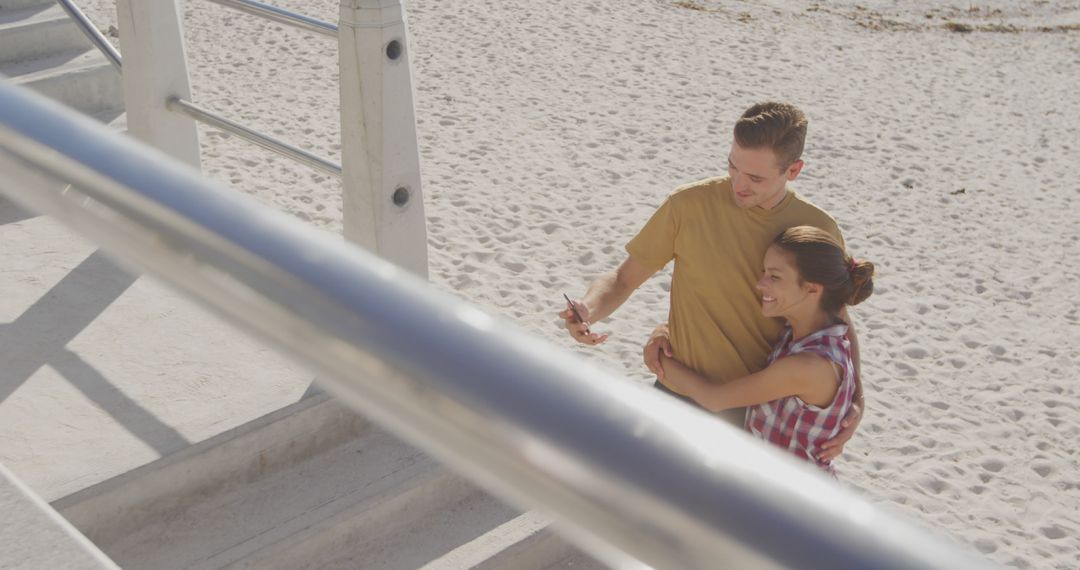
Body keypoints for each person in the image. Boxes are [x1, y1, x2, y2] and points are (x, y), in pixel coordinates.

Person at [559, 101, 863, 461]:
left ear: (793, 170)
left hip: (752, 412)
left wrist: (854, 401)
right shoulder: (688, 204)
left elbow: (835, 317)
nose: (738, 185)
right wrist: (589, 308)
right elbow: (624, 278)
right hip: (674, 388)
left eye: (755, 178)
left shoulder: (817, 227)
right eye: (733, 167)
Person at [659, 226, 873, 474]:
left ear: (813, 289)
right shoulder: (807, 331)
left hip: (792, 500)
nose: (760, 284)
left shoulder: (808, 365)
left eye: (774, 277)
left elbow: (715, 399)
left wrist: (660, 359)